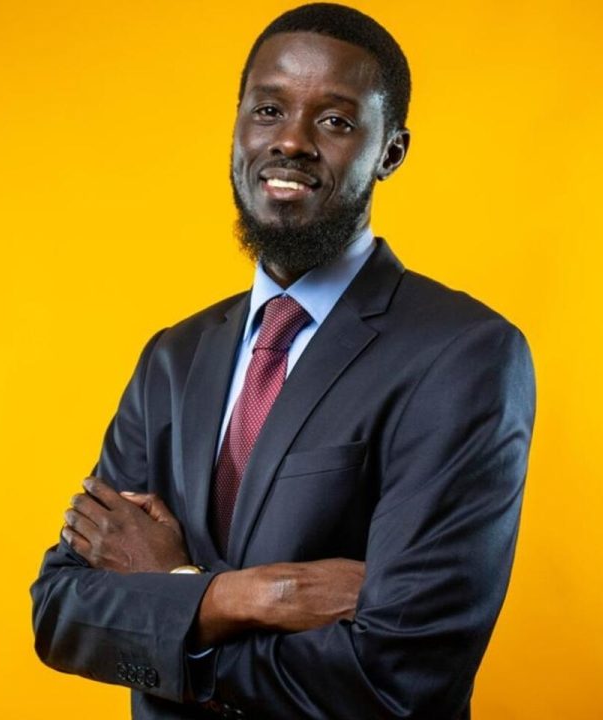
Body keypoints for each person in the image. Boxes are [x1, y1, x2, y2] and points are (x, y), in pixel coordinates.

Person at [30, 4, 536, 719]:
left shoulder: (463, 355)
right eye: (269, 110)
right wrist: (253, 596)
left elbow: (401, 679)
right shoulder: (174, 357)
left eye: (334, 120)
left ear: (390, 152)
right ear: (238, 124)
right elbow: (60, 610)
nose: (291, 140)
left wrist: (169, 606)